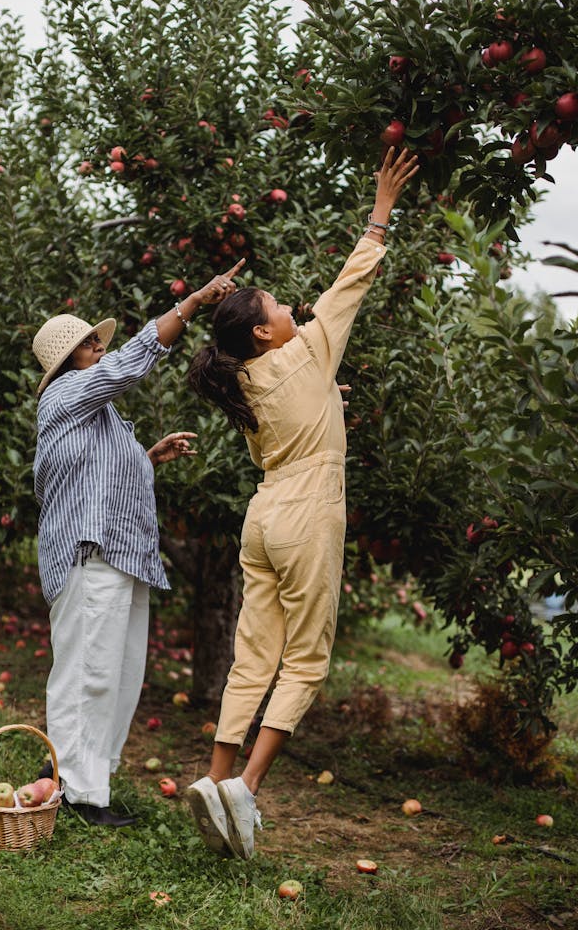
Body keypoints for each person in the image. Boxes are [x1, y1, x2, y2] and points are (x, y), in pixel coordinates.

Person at [185, 147, 419, 858]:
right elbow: (351, 283)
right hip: (310, 513)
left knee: (252, 656)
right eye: (279, 307)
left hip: (264, 518)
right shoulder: (310, 348)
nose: (293, 308)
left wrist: (328, 399)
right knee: (307, 661)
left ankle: (215, 778)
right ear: (263, 330)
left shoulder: (245, 386)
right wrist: (380, 213)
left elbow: (288, 427)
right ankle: (247, 792)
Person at [32, 260, 244, 827]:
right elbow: (129, 364)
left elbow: (97, 479)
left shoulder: (99, 416)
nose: (99, 348)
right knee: (88, 673)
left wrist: (148, 457)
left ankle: (89, 783)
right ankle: (75, 792)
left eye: (97, 342)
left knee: (120, 674)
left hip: (122, 555)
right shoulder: (66, 396)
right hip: (89, 554)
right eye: (89, 344)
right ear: (66, 361)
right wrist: (193, 303)